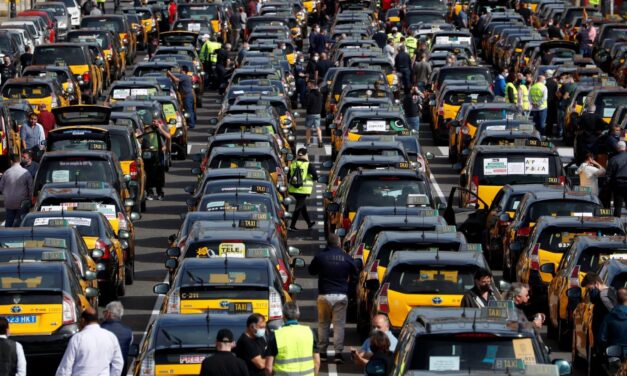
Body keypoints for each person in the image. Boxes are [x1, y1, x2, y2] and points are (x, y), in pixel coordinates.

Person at [309, 233, 359, 363]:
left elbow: (311, 270)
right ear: (339, 243)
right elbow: (355, 274)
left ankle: (322, 353)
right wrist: (350, 289)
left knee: (323, 324)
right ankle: (338, 353)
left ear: (328, 243)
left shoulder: (321, 256)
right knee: (339, 325)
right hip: (341, 295)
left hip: (324, 295)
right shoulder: (346, 257)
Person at [56, 308, 123, 376]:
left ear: (83, 320)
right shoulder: (111, 336)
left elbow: (66, 367)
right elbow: (118, 363)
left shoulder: (77, 338)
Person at [265, 302, 320, 376]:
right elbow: (317, 362)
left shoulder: (276, 335)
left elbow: (268, 367)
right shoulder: (310, 332)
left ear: (283, 315)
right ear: (298, 315)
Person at [582, 273, 617, 364]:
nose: (590, 291)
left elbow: (614, 313)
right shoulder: (612, 291)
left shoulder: (603, 296)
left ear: (596, 284)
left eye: (590, 288)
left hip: (605, 338)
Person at [288, 148, 318, 230]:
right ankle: (292, 225)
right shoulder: (308, 165)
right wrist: (313, 178)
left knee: (302, 206)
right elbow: (315, 175)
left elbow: (288, 176)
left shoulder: (293, 164)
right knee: (298, 207)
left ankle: (309, 223)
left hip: (294, 189)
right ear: (306, 155)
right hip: (303, 190)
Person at [100, 301, 133, 376]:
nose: (103, 314)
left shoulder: (101, 329)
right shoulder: (128, 331)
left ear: (108, 313)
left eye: (104, 312)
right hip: (121, 371)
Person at [0, 154, 32, 227]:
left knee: (9, 221)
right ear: (19, 161)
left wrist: (6, 194)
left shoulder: (6, 173)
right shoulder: (26, 172)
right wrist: (30, 199)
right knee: (22, 222)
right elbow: (30, 188)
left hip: (9, 202)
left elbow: (1, 187)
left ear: (11, 161)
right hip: (22, 202)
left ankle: (8, 236)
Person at [141, 118, 170, 201]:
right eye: (153, 121)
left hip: (159, 155)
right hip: (148, 155)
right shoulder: (148, 129)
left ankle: (160, 193)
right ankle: (149, 193)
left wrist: (160, 128)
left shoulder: (162, 128)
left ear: (159, 122)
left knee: (159, 176)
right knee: (148, 174)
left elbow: (168, 136)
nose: (154, 123)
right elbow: (142, 138)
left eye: (155, 121)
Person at [606, 141, 627, 217]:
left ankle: (616, 224)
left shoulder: (613, 159)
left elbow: (608, 175)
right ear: (625, 148)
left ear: (618, 148)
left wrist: (608, 187)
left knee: (618, 207)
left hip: (618, 185)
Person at [304, 81, 323, 147]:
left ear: (311, 87)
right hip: (318, 113)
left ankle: (308, 142)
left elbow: (307, 104)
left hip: (310, 113)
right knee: (318, 128)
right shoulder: (320, 94)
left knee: (308, 128)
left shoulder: (310, 95)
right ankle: (320, 141)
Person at [545, 69, 558, 136]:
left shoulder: (545, 82)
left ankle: (546, 131)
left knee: (547, 117)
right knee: (551, 118)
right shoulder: (555, 83)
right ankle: (550, 131)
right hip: (553, 102)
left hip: (546, 102)